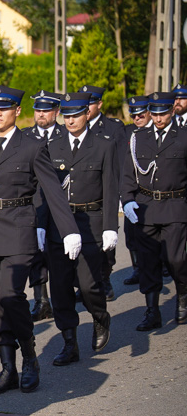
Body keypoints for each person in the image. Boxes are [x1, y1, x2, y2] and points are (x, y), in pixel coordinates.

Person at [0, 85, 81, 395]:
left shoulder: (31, 146)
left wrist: (69, 229)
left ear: (17, 111)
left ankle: (30, 358)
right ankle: (8, 369)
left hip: (18, 231)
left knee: (10, 296)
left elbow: (52, 190)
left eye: (4, 108)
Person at [38, 92, 118, 365]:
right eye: (66, 116)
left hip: (90, 222)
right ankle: (69, 342)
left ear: (87, 114)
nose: (70, 120)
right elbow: (45, 190)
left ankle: (100, 316)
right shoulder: (52, 145)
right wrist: (41, 225)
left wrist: (110, 227)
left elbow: (110, 188)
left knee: (88, 285)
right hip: (59, 227)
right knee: (60, 287)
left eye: (76, 115)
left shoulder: (104, 145)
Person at [122, 92, 187, 330]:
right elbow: (129, 173)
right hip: (146, 208)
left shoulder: (183, 137)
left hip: (175, 207)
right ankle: (152, 311)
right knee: (148, 262)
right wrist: (128, 199)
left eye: (164, 113)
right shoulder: (139, 138)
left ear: (171, 111)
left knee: (175, 259)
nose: (159, 119)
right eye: (156, 114)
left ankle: (182, 297)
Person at [23, 90, 66, 322]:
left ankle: (62, 298)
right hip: (33, 203)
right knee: (35, 255)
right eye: (37, 110)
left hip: (60, 203)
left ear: (56, 112)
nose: (40, 114)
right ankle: (41, 301)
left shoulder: (65, 135)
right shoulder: (25, 136)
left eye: (46, 110)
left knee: (58, 254)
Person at [82, 85, 125, 301]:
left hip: (105, 192)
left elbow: (120, 163)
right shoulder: (73, 128)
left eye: (90, 103)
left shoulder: (114, 128)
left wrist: (119, 196)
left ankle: (105, 278)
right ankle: (85, 282)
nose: (86, 107)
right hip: (82, 194)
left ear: (99, 104)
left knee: (106, 241)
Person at [122, 95, 150, 287]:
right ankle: (138, 269)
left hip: (153, 193)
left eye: (141, 115)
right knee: (130, 234)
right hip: (133, 191)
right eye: (134, 116)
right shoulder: (128, 133)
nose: (137, 119)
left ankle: (154, 266)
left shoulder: (157, 131)